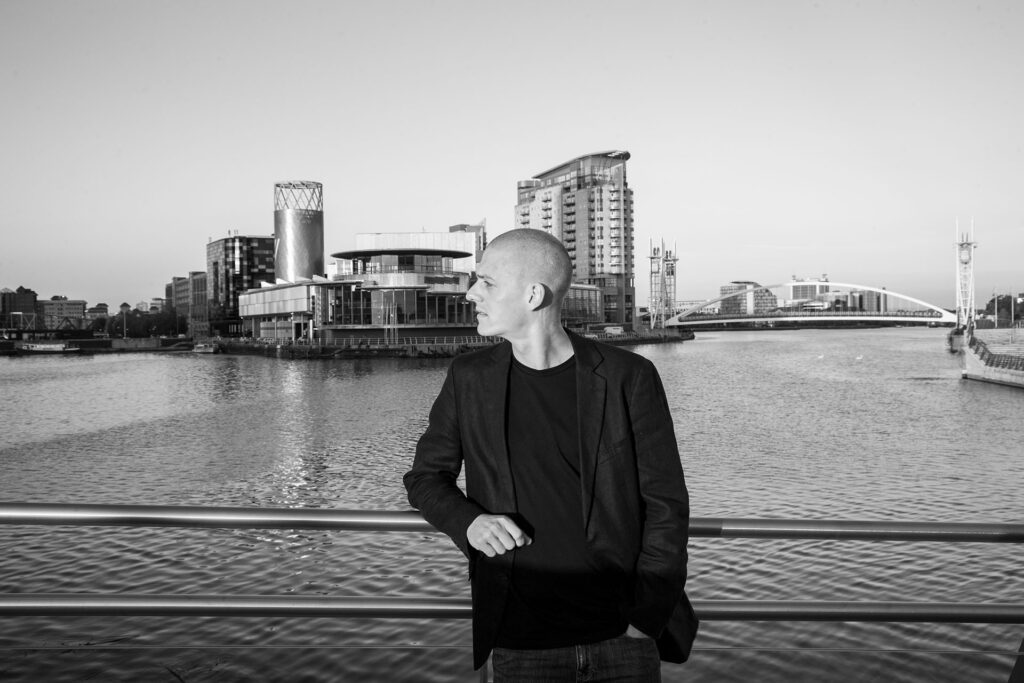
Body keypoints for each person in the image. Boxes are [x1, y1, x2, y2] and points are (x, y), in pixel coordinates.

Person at [404, 229, 697, 681]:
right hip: (520, 640)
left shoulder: (628, 376)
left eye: (487, 282)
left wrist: (645, 616)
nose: (471, 293)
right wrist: (469, 523)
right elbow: (425, 478)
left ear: (533, 295)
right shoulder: (469, 378)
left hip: (622, 636)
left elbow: (666, 504)